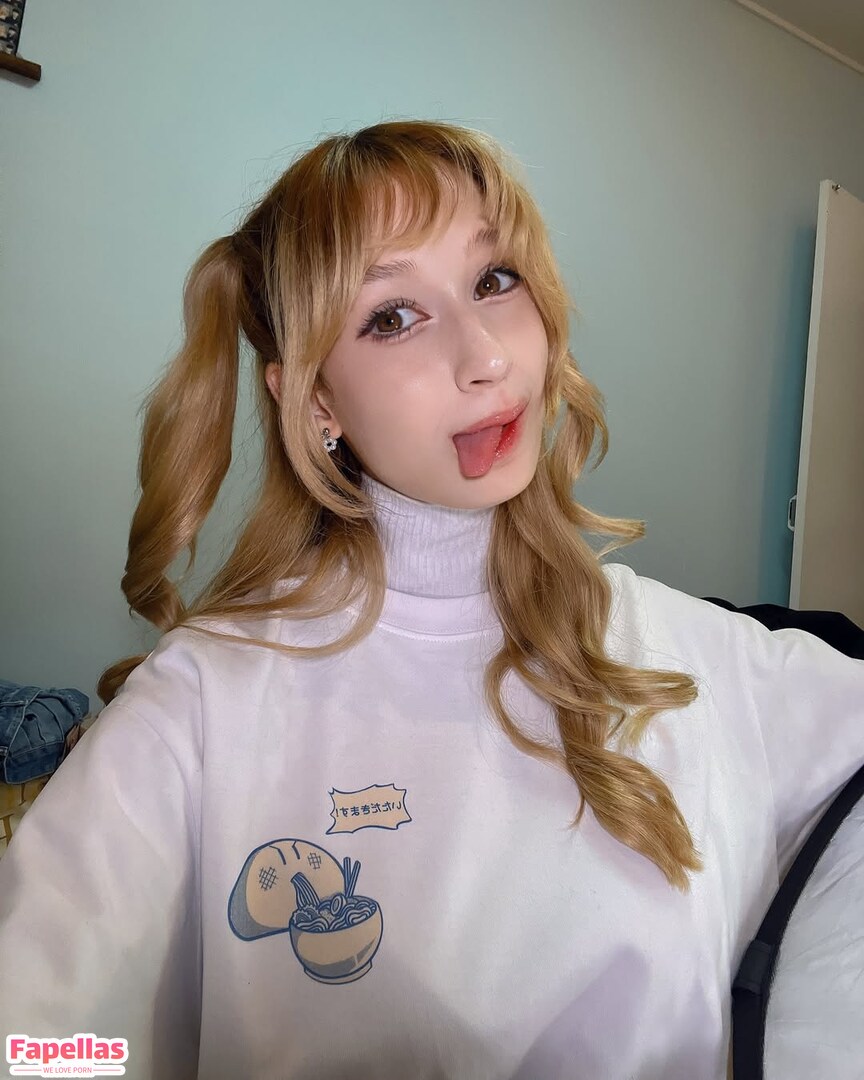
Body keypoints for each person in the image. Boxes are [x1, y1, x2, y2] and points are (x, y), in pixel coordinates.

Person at [0, 118, 862, 1080]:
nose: (487, 356)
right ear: (314, 402)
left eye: (495, 280)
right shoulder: (200, 702)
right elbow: (37, 1038)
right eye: (392, 317)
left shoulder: (697, 653)